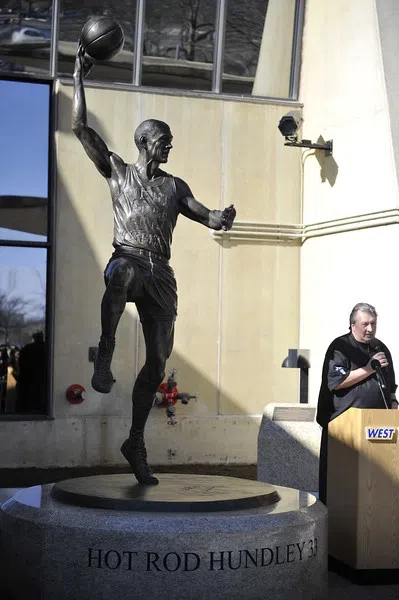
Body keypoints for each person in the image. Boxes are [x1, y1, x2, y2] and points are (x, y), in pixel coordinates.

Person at [72, 45, 236, 486]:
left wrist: (220, 218)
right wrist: (79, 76)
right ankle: (105, 352)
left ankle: (135, 442)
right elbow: (79, 127)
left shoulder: (174, 185)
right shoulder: (117, 171)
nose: (169, 147)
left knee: (158, 364)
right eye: (163, 141)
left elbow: (204, 215)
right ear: (145, 141)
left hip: (160, 273)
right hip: (127, 258)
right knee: (119, 272)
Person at [316, 302, 397, 504]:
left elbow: (389, 385)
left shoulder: (380, 347)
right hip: (343, 428)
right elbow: (336, 383)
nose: (370, 329)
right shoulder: (340, 347)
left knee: (375, 487)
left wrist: (394, 407)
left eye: (373, 324)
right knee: (343, 487)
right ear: (352, 324)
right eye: (365, 324)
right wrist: (368, 369)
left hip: (376, 426)